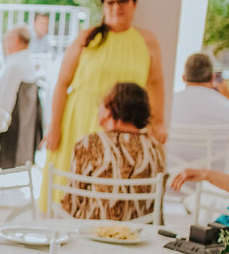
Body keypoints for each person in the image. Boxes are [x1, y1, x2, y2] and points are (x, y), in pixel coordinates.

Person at [41, 0, 166, 211]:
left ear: (134, 4)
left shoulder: (147, 41)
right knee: (71, 185)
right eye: (109, 2)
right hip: (79, 118)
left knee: (114, 188)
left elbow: (156, 83)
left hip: (124, 124)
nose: (115, 6)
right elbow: (62, 83)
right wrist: (54, 125)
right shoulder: (88, 37)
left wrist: (158, 122)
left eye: (122, 1)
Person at [60, 82, 166, 221]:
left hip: (95, 233)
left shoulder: (90, 144)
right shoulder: (155, 147)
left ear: (112, 108)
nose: (99, 107)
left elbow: (72, 204)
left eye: (103, 102)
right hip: (141, 234)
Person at [167, 52, 229, 171]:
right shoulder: (228, 108)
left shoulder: (169, 104)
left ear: (183, 77)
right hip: (215, 186)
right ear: (212, 78)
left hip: (172, 185)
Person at [0, 25, 39, 120]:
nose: (4, 43)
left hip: (9, 123)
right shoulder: (28, 61)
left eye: (7, 38)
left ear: (17, 40)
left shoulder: (14, 65)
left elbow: (3, 101)